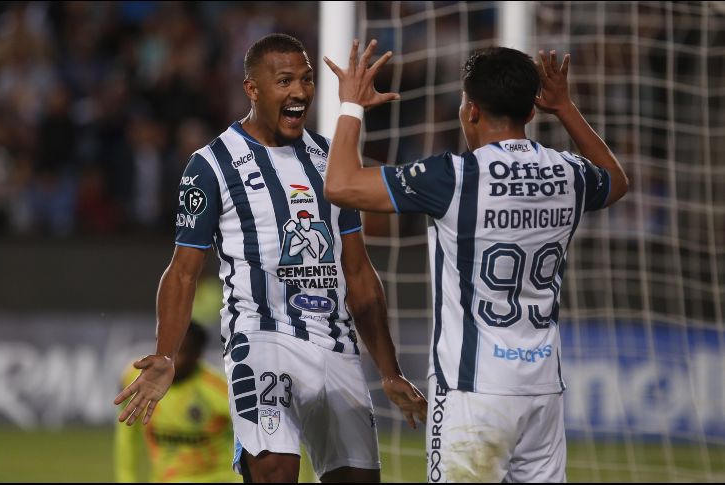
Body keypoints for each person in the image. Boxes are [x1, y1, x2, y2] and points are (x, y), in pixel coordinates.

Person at [114, 33, 426, 483]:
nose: (299, 91)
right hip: (260, 340)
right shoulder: (212, 164)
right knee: (275, 472)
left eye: (306, 79)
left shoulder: (329, 158)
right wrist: (167, 353)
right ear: (252, 89)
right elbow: (183, 272)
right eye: (284, 81)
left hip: (335, 346)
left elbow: (358, 272)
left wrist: (390, 370)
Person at [322, 40, 629, 483]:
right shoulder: (569, 172)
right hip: (542, 389)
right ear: (530, 112)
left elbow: (341, 185)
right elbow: (616, 182)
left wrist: (351, 105)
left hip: (474, 390)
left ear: (470, 111)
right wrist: (565, 108)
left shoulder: (454, 177)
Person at [114, 321, 239, 482]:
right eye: (165, 351)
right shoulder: (136, 379)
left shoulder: (219, 390)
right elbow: (127, 438)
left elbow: (250, 441)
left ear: (197, 355)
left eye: (180, 353)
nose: (170, 360)